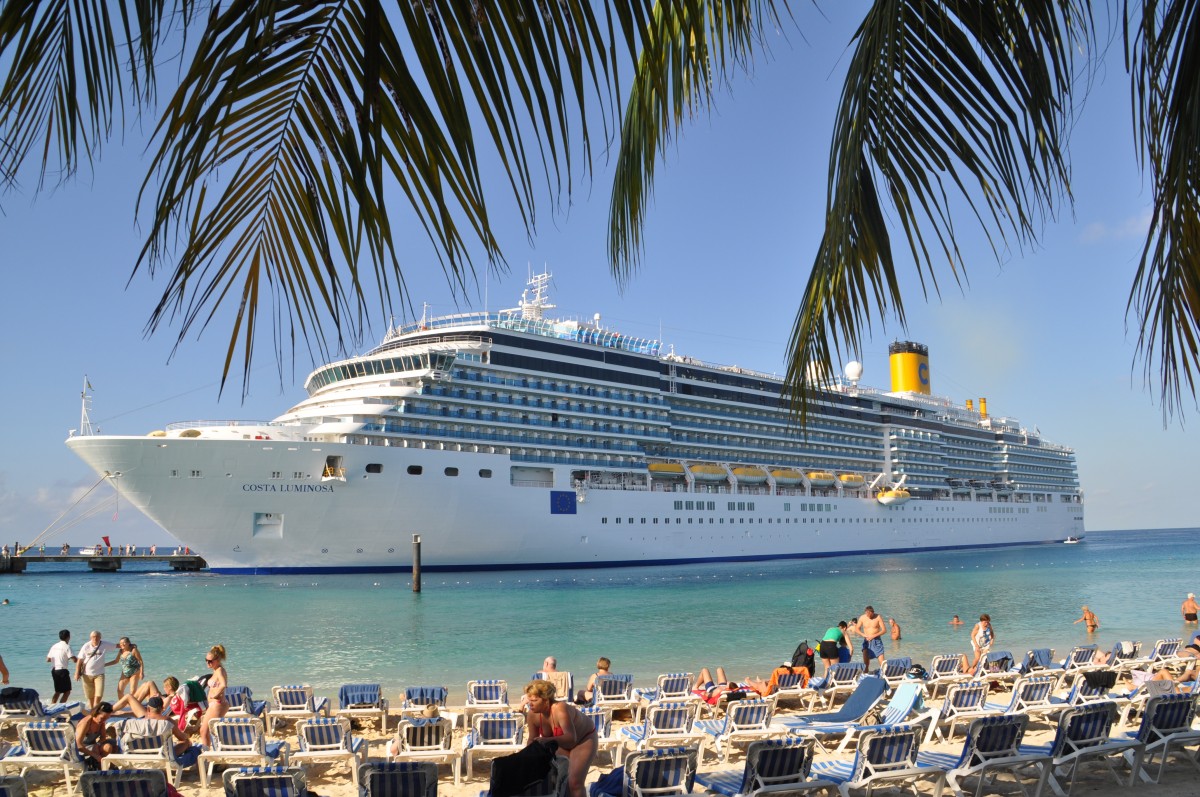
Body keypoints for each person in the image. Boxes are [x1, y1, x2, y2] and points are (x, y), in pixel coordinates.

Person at [524, 679, 597, 797]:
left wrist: (546, 740)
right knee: (562, 781)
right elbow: (532, 739)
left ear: (546, 700)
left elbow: (571, 738)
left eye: (534, 700)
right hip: (561, 742)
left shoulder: (560, 708)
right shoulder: (532, 715)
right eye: (529, 700)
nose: (530, 704)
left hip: (583, 739)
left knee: (575, 783)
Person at [121, 695, 199, 765]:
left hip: (140, 758)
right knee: (189, 745)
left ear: (148, 709)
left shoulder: (137, 723)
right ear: (162, 708)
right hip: (162, 757)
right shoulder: (167, 721)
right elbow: (182, 738)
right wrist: (187, 738)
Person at [75, 630, 117, 711]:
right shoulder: (86, 646)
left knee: (99, 694)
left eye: (97, 636)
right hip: (86, 674)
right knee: (90, 696)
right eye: (93, 637)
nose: (95, 638)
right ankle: (93, 711)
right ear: (90, 638)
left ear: (100, 637)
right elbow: (79, 660)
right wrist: (76, 673)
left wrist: (129, 645)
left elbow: (117, 646)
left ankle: (95, 709)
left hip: (99, 674)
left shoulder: (104, 644)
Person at [199, 644, 228, 746]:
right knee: (205, 731)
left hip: (217, 704)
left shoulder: (219, 670)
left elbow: (224, 684)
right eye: (206, 660)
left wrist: (215, 695)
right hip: (214, 705)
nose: (208, 663)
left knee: (205, 731)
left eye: (210, 661)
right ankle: (210, 755)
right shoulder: (215, 671)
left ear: (218, 660)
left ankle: (208, 757)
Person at [75, 701, 118, 767]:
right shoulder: (86, 723)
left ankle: (109, 765)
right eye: (102, 718)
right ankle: (100, 767)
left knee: (115, 743)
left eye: (106, 718)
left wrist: (98, 744)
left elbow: (103, 737)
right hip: (82, 748)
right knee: (96, 748)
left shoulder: (101, 722)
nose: (104, 720)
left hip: (93, 745)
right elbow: (78, 745)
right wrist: (94, 754)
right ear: (96, 713)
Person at [47, 629, 77, 702]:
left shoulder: (54, 646)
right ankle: (60, 707)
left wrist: (59, 659)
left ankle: (52, 706)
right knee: (67, 691)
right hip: (62, 671)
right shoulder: (67, 646)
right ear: (68, 637)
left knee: (58, 691)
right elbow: (74, 660)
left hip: (54, 670)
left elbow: (48, 659)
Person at [854, 606, 887, 670]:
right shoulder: (862, 617)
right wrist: (863, 635)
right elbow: (857, 629)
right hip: (866, 640)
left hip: (876, 640)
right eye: (867, 615)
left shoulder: (878, 617)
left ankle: (885, 675)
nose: (869, 617)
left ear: (873, 612)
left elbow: (884, 630)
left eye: (870, 615)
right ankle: (866, 676)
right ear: (866, 612)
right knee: (866, 664)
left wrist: (873, 636)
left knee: (882, 662)